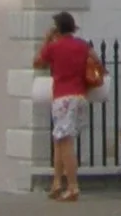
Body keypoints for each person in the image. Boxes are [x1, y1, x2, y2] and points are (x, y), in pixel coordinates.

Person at [35, 11, 94, 202]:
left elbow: (37, 63)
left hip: (62, 97)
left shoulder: (54, 47)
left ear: (57, 29)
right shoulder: (82, 45)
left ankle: (73, 185)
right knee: (59, 139)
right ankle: (56, 183)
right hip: (80, 96)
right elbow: (96, 62)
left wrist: (46, 40)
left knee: (65, 142)